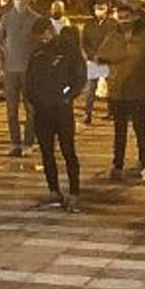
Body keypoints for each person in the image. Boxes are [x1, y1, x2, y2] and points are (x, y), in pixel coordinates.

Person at [25, 18, 86, 211]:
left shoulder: (68, 51)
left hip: (61, 110)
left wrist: (66, 96)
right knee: (47, 152)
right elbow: (29, 81)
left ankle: (74, 192)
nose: (42, 39)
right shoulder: (37, 53)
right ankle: (54, 191)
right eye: (39, 36)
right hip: (42, 111)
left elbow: (79, 78)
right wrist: (33, 100)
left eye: (44, 34)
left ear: (50, 30)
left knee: (68, 151)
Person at [97, 12, 145, 181]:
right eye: (121, 15)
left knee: (140, 130)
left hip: (138, 92)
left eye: (127, 15)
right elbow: (102, 55)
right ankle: (117, 165)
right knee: (119, 131)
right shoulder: (114, 35)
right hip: (117, 91)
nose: (123, 19)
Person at [0, 0, 40, 156]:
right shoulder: (6, 18)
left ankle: (28, 143)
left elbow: (45, 42)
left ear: (28, 0)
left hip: (30, 71)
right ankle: (15, 143)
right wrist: (2, 60)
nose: (19, 1)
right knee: (11, 109)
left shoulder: (36, 19)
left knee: (31, 109)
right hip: (11, 71)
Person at [81, 0, 116, 124]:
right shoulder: (89, 24)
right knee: (90, 88)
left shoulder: (113, 24)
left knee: (111, 87)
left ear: (107, 9)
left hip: (108, 60)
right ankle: (88, 113)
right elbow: (84, 42)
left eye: (102, 8)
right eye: (97, 8)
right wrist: (92, 55)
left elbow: (115, 41)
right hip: (93, 60)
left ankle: (112, 112)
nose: (99, 11)